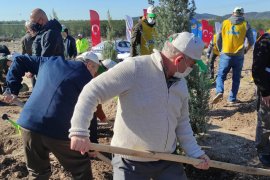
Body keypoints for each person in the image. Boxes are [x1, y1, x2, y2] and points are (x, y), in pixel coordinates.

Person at [69, 32, 210, 180]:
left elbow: (182, 122)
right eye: (192, 64)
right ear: (179, 60)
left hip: (168, 159)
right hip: (130, 160)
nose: (192, 69)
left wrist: (195, 153)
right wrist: (79, 131)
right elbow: (92, 91)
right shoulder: (135, 69)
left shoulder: (180, 84)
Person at [2, 52, 104, 179]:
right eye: (95, 70)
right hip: (59, 130)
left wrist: (12, 89)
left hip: (28, 124)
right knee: (81, 170)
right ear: (89, 65)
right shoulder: (87, 80)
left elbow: (19, 60)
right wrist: (91, 144)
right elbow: (90, 114)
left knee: (38, 173)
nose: (95, 75)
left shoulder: (50, 61)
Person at [212, 7, 254, 104]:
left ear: (232, 13)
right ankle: (232, 99)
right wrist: (246, 50)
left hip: (225, 54)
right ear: (243, 14)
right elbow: (251, 41)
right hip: (239, 55)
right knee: (236, 78)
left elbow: (218, 38)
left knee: (221, 75)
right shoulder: (246, 24)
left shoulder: (225, 22)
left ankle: (219, 91)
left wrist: (220, 50)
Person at [252, 33, 270, 167]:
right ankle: (263, 149)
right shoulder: (265, 41)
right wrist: (265, 92)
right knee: (266, 121)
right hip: (268, 89)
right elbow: (257, 70)